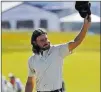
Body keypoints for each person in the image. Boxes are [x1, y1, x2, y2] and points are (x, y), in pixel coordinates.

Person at [25, 15, 91, 92]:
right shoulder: (32, 60)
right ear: (35, 43)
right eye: (42, 40)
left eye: (46, 39)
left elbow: (76, 42)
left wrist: (86, 25)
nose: (45, 42)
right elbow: (30, 83)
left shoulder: (58, 50)